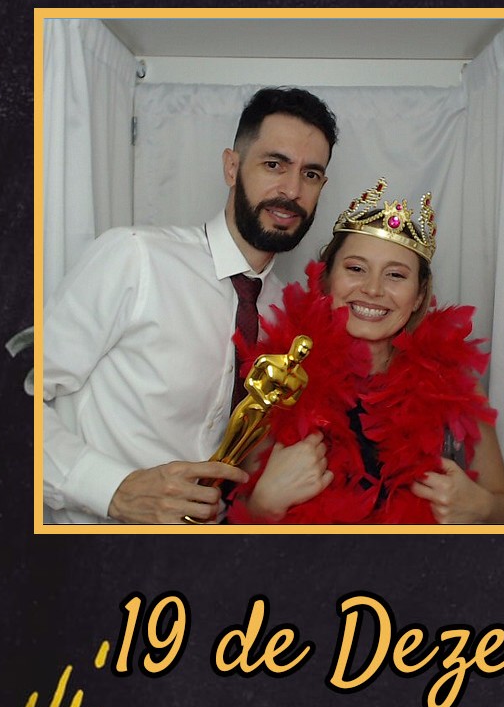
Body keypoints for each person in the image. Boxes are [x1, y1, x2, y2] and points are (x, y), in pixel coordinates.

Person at [42, 87, 339, 525]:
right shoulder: (135, 258)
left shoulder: (290, 314)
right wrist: (114, 489)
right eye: (274, 165)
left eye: (310, 174)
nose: (292, 190)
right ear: (232, 167)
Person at [227, 180, 504, 525]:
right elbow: (230, 520)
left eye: (395, 275)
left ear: (418, 295)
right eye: (356, 269)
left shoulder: (455, 382)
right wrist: (263, 505)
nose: (374, 289)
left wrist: (481, 506)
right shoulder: (283, 377)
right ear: (326, 279)